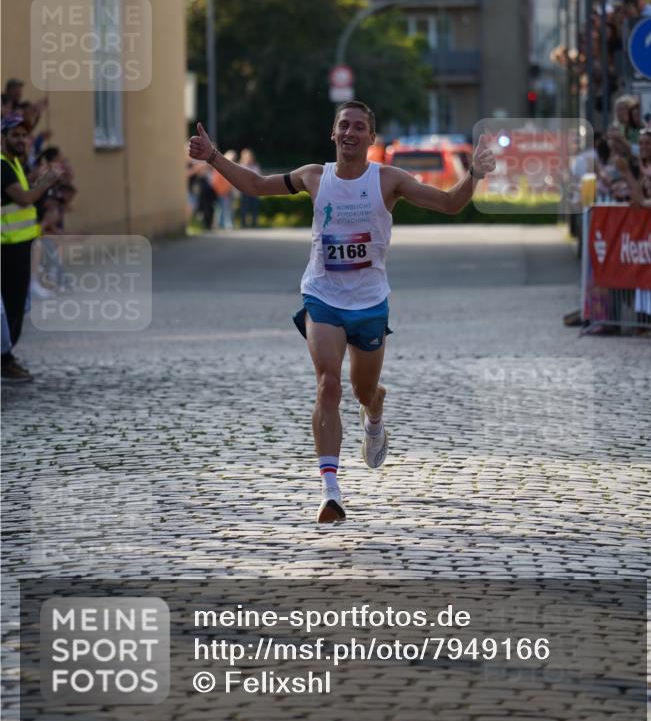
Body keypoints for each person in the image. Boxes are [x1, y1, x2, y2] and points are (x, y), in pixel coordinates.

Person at [189, 101, 496, 524]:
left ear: (372, 138)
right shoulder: (314, 176)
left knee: (361, 390)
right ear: (333, 134)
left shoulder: (388, 180)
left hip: (370, 303)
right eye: (343, 126)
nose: (350, 133)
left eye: (359, 127)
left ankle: (374, 412)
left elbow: (448, 204)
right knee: (328, 384)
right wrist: (213, 157)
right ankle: (330, 491)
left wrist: (475, 175)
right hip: (323, 296)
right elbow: (258, 186)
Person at [1, 114, 61, 382]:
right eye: (15, 135)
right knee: (10, 308)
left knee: (18, 306)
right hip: (6, 249)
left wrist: (42, 185)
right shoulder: (2, 167)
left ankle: (6, 357)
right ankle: (5, 360)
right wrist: (45, 182)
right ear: (3, 138)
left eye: (25, 135)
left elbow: (29, 205)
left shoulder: (15, 166)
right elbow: (24, 199)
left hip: (20, 247)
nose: (22, 140)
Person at [238, 148, 261, 228]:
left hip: (254, 190)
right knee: (244, 208)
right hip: (244, 191)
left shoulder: (255, 166)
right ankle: (243, 224)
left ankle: (254, 223)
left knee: (254, 208)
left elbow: (259, 177)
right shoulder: (240, 166)